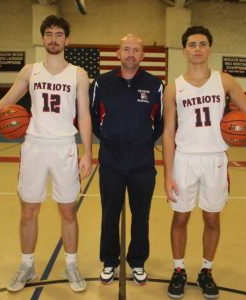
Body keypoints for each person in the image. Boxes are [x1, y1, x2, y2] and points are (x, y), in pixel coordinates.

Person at [163, 26, 246, 299]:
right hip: (184, 160)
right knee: (181, 216)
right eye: (191, 44)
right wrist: (167, 175)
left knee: (212, 217)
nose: (197, 48)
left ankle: (207, 271)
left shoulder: (224, 82)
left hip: (215, 161)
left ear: (209, 48)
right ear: (184, 50)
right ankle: (178, 270)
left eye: (202, 44)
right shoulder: (174, 87)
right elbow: (168, 133)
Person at [0, 15, 92, 293]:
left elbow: (84, 116)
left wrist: (86, 153)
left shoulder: (79, 74)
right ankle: (27, 265)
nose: (53, 39)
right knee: (28, 211)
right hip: (34, 146)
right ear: (43, 38)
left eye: (59, 34)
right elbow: (7, 100)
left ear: (67, 40)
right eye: (48, 34)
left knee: (68, 211)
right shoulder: (30, 71)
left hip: (64, 148)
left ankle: (71, 264)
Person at [90, 34, 164, 286]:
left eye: (136, 50)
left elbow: (161, 123)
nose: (131, 54)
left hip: (142, 164)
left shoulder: (155, 85)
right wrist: (111, 138)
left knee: (141, 215)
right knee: (109, 215)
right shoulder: (101, 83)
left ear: (142, 55)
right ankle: (109, 260)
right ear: (117, 54)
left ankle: (138, 261)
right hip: (111, 162)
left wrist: (142, 140)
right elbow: (92, 119)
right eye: (126, 49)